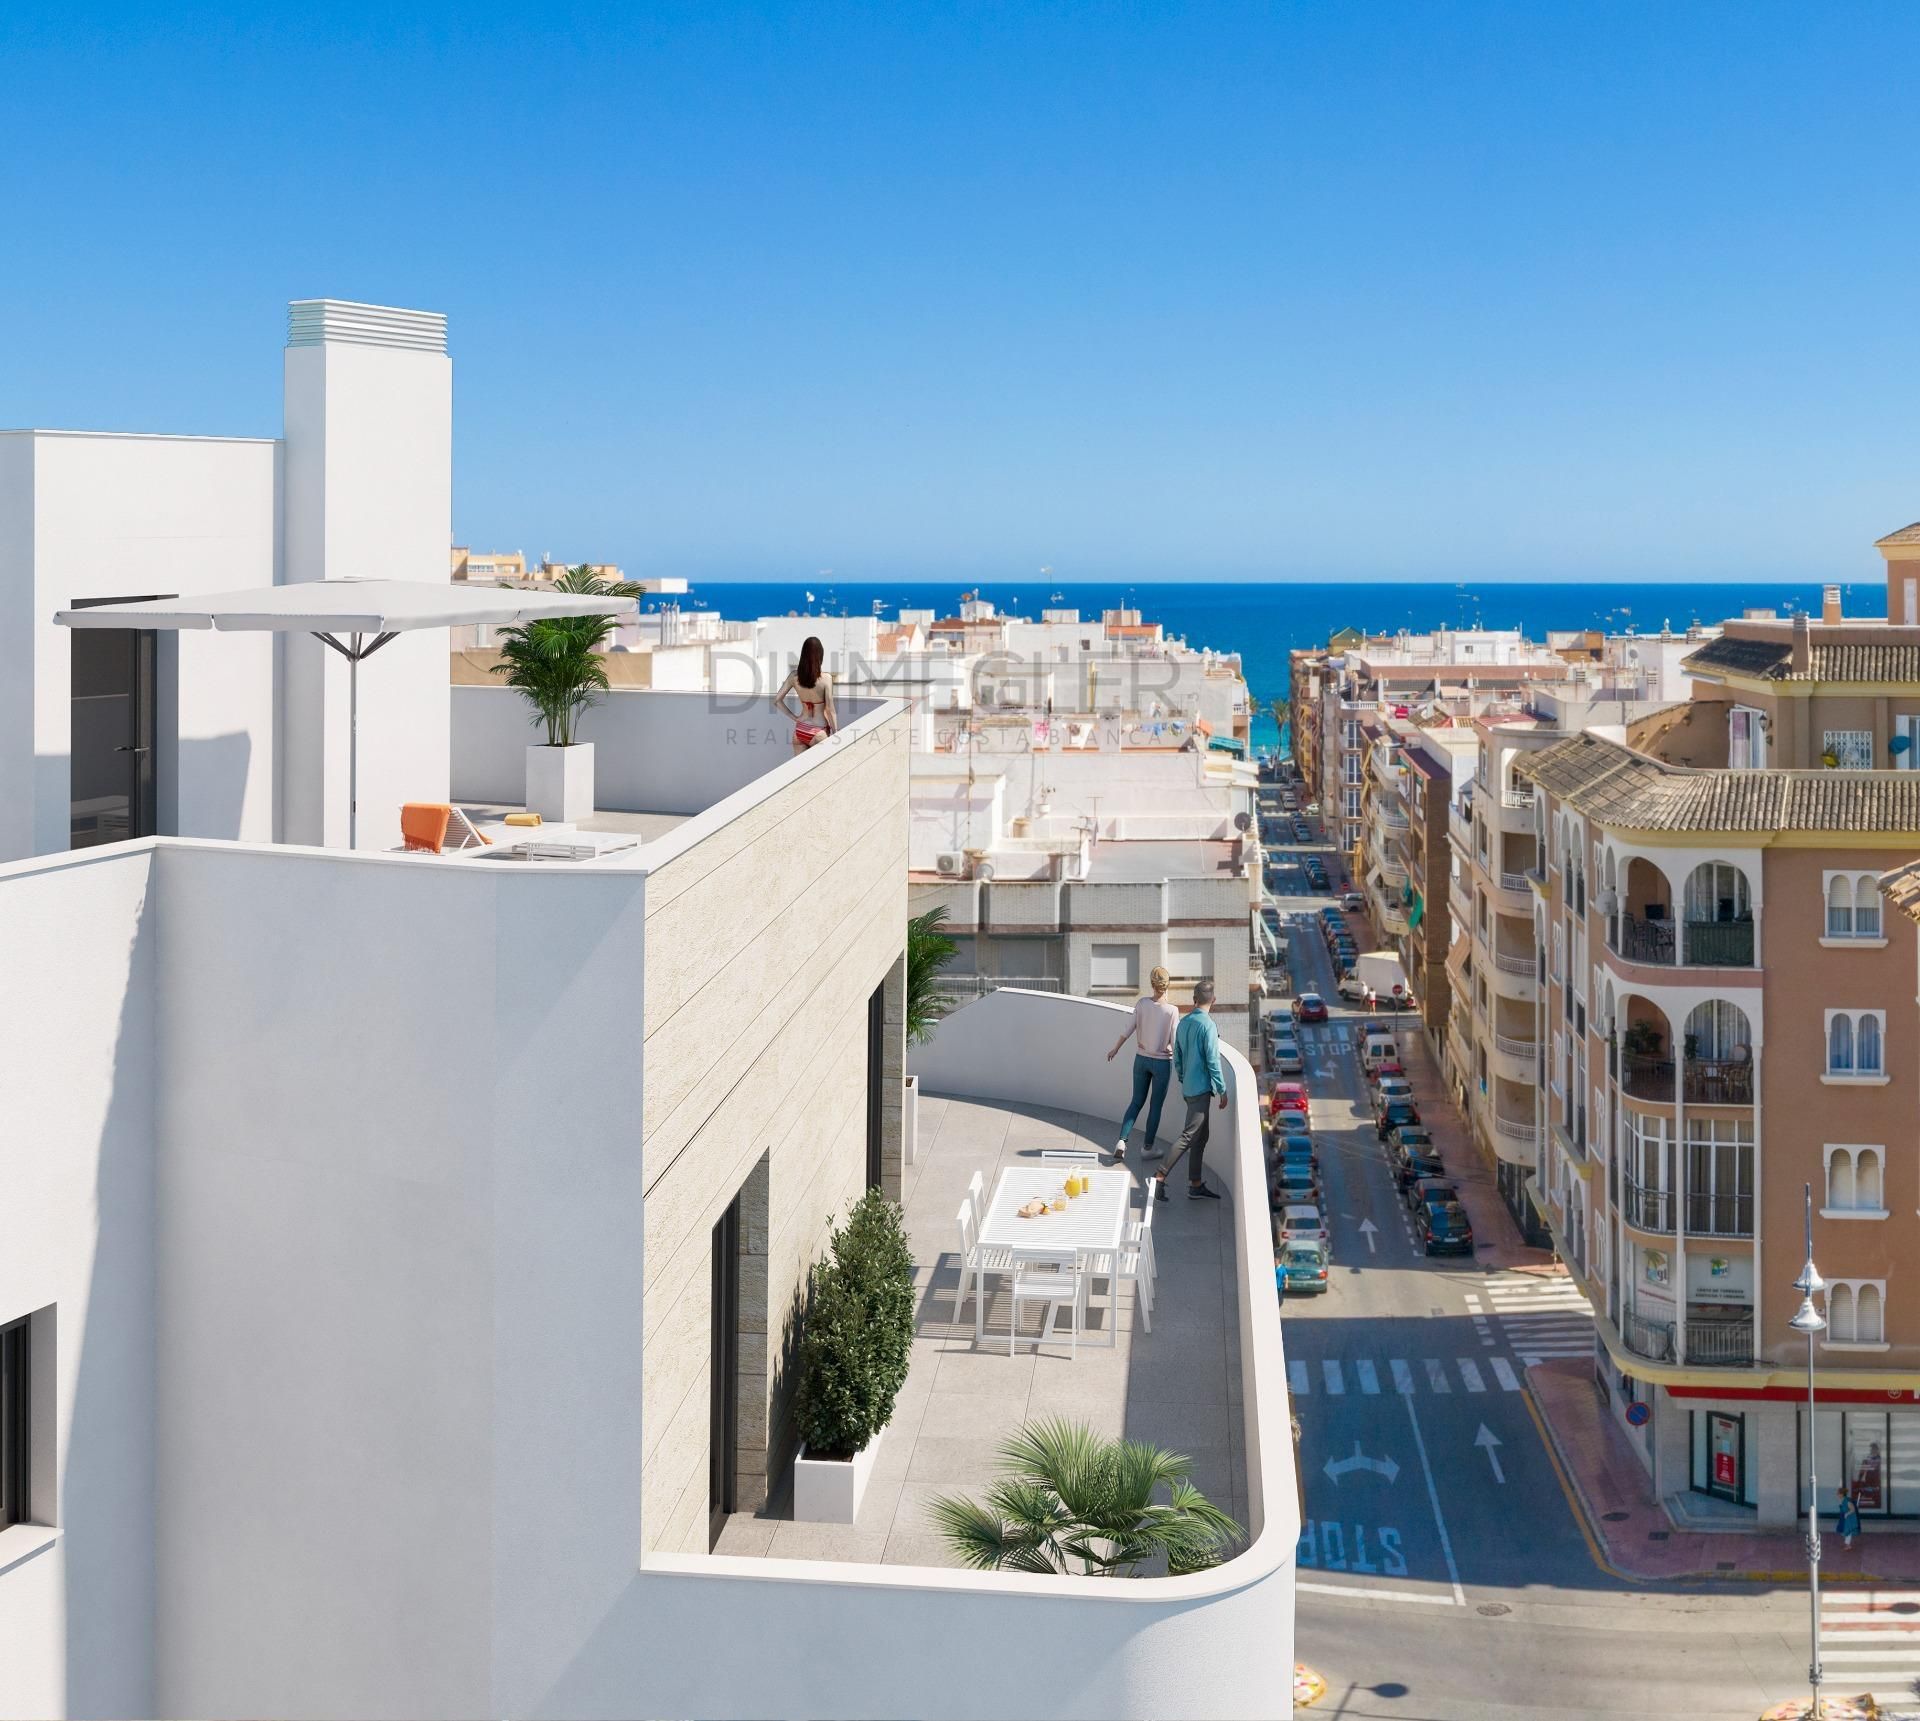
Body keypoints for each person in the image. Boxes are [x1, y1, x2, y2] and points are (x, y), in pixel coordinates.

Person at [1155, 977, 1229, 1203]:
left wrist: (1183, 1076)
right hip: (1200, 1091)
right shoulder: (1207, 1025)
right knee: (1189, 1135)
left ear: (1194, 999)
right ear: (1213, 1000)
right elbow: (1212, 1060)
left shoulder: (1185, 1023)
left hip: (1189, 1087)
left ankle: (1195, 1184)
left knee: (1201, 1136)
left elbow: (1176, 1055)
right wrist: (1222, 1089)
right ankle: (1159, 1177)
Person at [1107, 966, 1178, 1162]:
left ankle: (1122, 1141)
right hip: (1162, 1063)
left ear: (1152, 984)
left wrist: (1115, 1049)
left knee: (1136, 1101)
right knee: (1155, 1106)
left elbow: (1128, 1029)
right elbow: (1174, 1039)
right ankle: (1147, 1148)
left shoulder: (1142, 1004)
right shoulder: (1172, 1011)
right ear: (1167, 985)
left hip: (1141, 1060)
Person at [772, 636, 836, 754]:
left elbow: (777, 700)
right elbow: (829, 709)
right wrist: (836, 732)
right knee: (821, 771)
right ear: (820, 655)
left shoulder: (793, 676)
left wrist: (794, 717)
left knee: (800, 770)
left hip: (800, 729)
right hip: (819, 731)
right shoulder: (826, 678)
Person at [1837, 1482, 1862, 1551]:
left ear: (1842, 1494)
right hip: (1847, 1518)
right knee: (1847, 1531)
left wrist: (1847, 1514)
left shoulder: (1847, 1501)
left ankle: (1847, 1545)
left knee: (1848, 1531)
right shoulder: (1843, 1500)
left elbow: (1853, 1509)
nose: (1837, 1495)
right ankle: (1847, 1544)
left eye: (1838, 1493)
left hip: (1850, 1518)